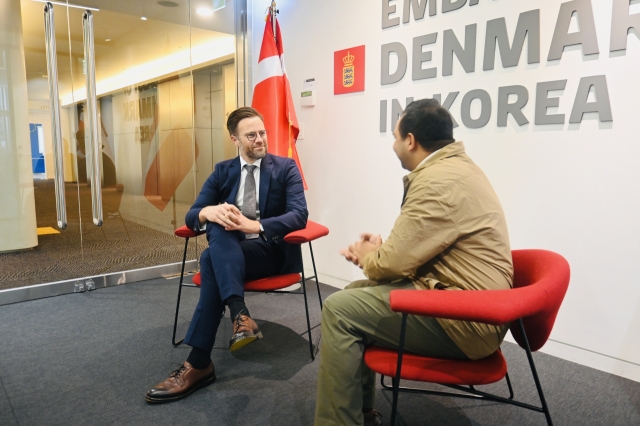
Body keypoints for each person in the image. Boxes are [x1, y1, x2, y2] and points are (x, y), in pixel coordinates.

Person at [314, 99, 513, 426]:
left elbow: (390, 265)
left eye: (395, 136)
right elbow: (422, 244)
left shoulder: (437, 181)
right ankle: (362, 414)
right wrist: (383, 251)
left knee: (339, 309)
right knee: (353, 294)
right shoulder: (457, 168)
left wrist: (371, 256)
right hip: (468, 300)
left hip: (467, 321)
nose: (393, 144)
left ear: (410, 140)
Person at [146, 107, 307, 403]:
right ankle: (239, 316)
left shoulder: (285, 167)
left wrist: (254, 224)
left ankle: (199, 362)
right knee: (218, 224)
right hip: (229, 254)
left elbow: (300, 215)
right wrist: (210, 211)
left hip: (268, 251)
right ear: (235, 139)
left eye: (262, 133)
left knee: (210, 258)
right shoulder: (223, 171)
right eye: (251, 135)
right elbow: (193, 213)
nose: (260, 139)